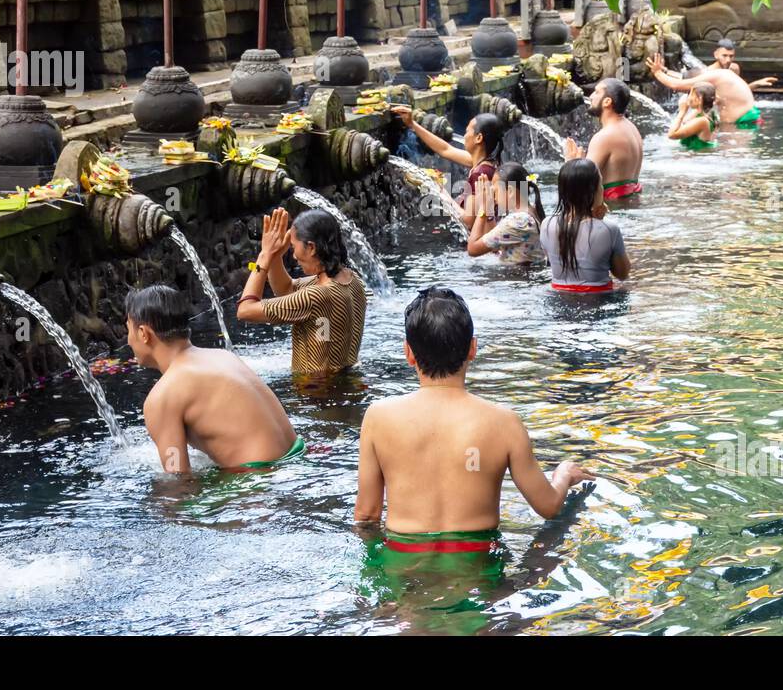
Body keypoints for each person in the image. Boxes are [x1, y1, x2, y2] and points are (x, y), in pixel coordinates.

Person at [354, 287, 594, 558]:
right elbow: (548, 506)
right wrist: (562, 476)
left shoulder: (378, 417)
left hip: (402, 566)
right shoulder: (504, 422)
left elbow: (366, 515)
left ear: (408, 353)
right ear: (472, 349)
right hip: (477, 568)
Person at [127, 284, 302, 475]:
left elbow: (177, 476)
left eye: (129, 329)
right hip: (297, 454)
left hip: (259, 479)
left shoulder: (163, 396)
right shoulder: (222, 356)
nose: (128, 340)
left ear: (143, 334)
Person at [237, 207, 367, 376]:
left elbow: (245, 310)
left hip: (313, 393)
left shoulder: (315, 296)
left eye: (293, 247)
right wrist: (276, 257)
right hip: (343, 386)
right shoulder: (352, 280)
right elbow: (286, 289)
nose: (294, 256)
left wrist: (264, 256)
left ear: (311, 247)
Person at [391, 107, 506, 228]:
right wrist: (412, 124)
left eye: (467, 132)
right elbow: (445, 149)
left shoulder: (480, 174)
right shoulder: (487, 163)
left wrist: (441, 192)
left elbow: (468, 221)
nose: (464, 136)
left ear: (478, 138)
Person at [539, 158, 630, 292]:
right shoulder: (609, 229)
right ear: (593, 191)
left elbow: (552, 261)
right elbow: (622, 274)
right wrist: (599, 221)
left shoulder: (546, 224)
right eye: (600, 184)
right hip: (599, 300)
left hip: (558, 299)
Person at [562, 77, 644, 200]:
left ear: (607, 102)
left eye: (596, 92)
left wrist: (570, 163)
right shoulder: (631, 128)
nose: (591, 96)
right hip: (632, 200)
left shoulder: (604, 137)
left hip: (613, 208)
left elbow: (580, 186)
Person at [648, 52, 772, 128]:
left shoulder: (714, 77)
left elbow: (676, 85)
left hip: (744, 125)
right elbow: (698, 113)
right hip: (748, 122)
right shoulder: (717, 83)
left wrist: (657, 73)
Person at [465, 161, 546, 265]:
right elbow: (493, 245)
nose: (493, 197)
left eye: (495, 192)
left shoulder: (519, 221)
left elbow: (472, 249)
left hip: (516, 279)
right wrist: (489, 210)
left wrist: (483, 208)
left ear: (510, 191)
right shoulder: (532, 211)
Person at [667, 82, 719, 151]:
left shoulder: (702, 121)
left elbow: (672, 135)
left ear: (699, 99)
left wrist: (682, 112)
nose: (688, 97)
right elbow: (683, 123)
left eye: (690, 94)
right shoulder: (709, 114)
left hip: (696, 157)